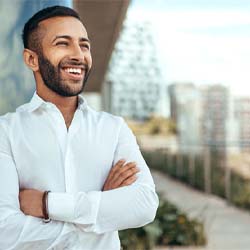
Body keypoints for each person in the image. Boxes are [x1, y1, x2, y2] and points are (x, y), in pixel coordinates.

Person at [0, 5, 158, 250]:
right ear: (32, 59)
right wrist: (101, 213)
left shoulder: (113, 129)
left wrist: (47, 204)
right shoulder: (6, 132)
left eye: (84, 45)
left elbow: (144, 204)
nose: (78, 54)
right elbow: (5, 231)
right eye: (63, 43)